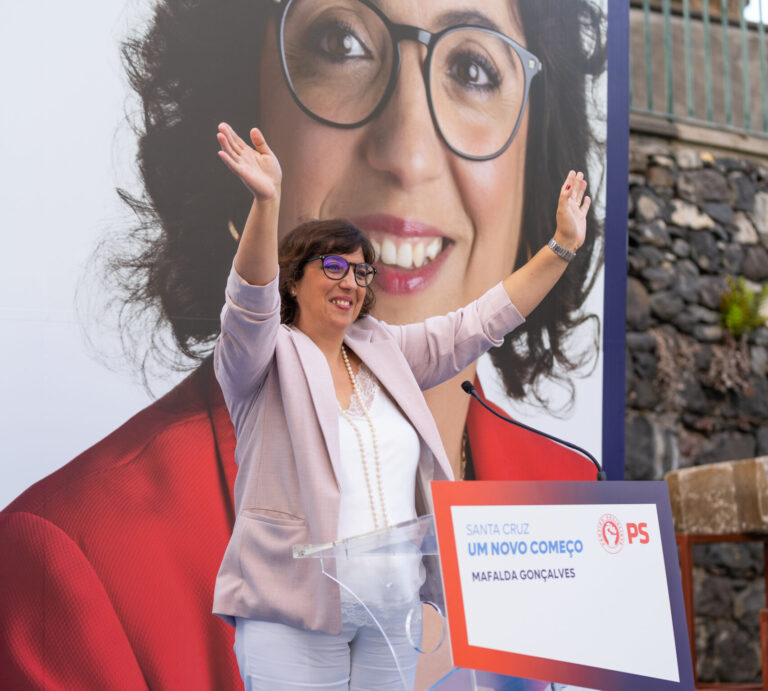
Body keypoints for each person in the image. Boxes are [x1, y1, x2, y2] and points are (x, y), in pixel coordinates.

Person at [0, 0, 605, 687]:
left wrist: (560, 246)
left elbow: (476, 325)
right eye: (339, 42)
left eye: (472, 67)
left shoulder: (573, 502)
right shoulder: (76, 568)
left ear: (537, 172)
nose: (407, 153)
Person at [212, 121, 589, 689]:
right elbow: (249, 304)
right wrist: (268, 202)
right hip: (295, 614)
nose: (351, 281)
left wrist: (561, 248)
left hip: (392, 611)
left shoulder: (381, 348)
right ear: (293, 281)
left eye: (361, 270)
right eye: (333, 266)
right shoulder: (262, 356)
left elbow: (478, 323)